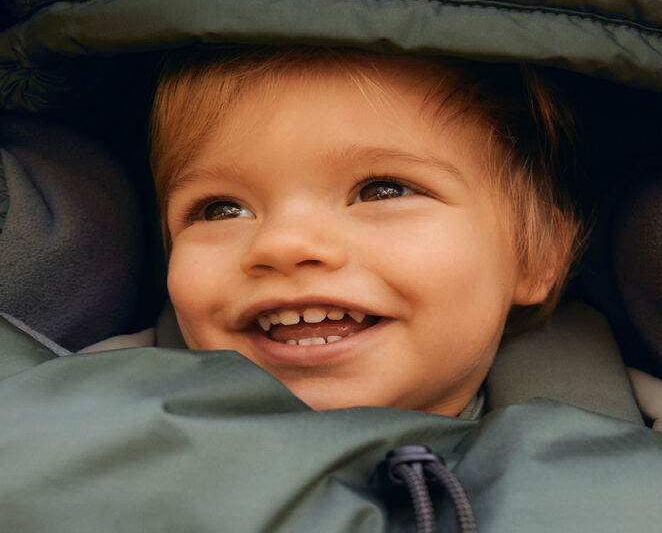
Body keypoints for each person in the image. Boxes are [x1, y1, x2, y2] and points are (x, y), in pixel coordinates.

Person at [149, 44, 584, 416]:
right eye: (222, 210)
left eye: (382, 191)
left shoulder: (639, 455)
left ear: (536, 256)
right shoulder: (91, 426)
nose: (282, 243)